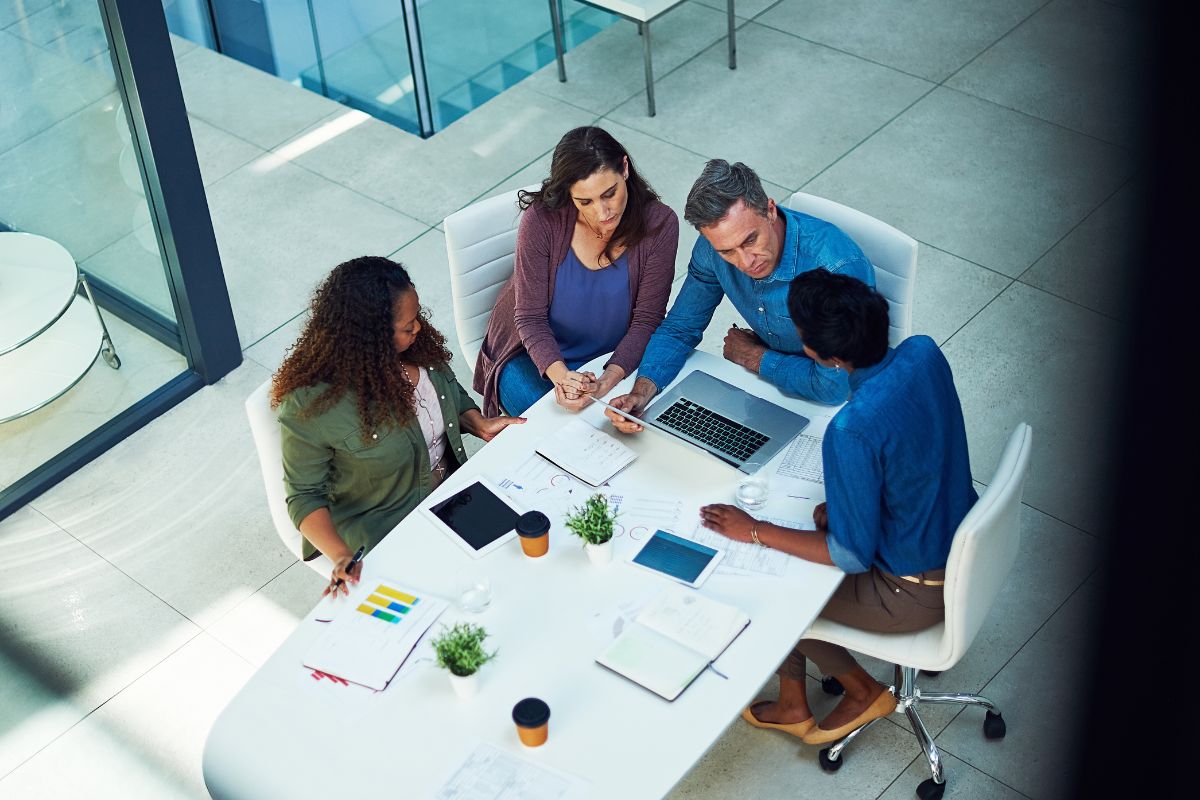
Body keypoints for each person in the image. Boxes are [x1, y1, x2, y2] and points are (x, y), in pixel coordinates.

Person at [699, 269, 978, 745]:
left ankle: (861, 691)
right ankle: (794, 701)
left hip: (913, 590)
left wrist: (754, 529)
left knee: (778, 592)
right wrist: (853, 504)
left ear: (822, 357)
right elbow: (916, 449)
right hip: (955, 539)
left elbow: (849, 555)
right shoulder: (923, 352)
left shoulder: (851, 429)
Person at [272, 257, 524, 597]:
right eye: (407, 326)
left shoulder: (418, 348)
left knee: (523, 554)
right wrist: (340, 554)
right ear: (370, 337)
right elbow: (304, 496)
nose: (418, 327)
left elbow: (449, 392)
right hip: (392, 528)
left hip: (455, 497)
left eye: (416, 317)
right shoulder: (311, 405)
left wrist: (475, 421)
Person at [604, 159, 873, 434]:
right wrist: (641, 392)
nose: (745, 262)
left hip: (839, 412)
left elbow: (834, 387)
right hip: (771, 390)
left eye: (750, 240)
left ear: (769, 210)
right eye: (727, 251)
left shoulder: (836, 268)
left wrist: (754, 357)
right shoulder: (711, 250)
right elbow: (680, 328)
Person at [474, 126, 679, 416]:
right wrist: (562, 379)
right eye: (585, 202)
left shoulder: (660, 225)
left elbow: (647, 319)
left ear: (624, 168)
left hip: (612, 356)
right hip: (531, 355)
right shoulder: (542, 221)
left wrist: (608, 380)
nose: (602, 212)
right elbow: (529, 318)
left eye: (610, 193)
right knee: (559, 436)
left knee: (630, 434)